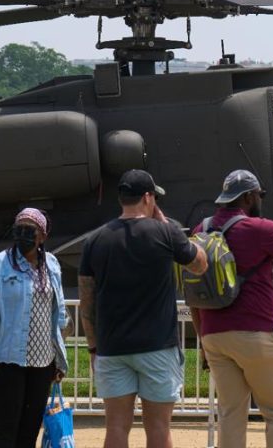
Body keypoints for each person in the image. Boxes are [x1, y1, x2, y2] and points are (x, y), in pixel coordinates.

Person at [190, 169, 273, 448]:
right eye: (259, 195)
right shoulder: (258, 229)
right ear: (250, 197)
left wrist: (202, 339)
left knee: (230, 413)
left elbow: (193, 292)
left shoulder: (200, 231)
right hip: (258, 334)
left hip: (214, 336)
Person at [79, 169, 208, 448]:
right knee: (159, 428)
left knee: (115, 427)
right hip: (157, 346)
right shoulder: (165, 232)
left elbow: (87, 302)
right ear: (148, 198)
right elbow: (200, 264)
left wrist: (92, 348)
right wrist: (163, 222)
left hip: (112, 347)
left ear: (121, 199)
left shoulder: (95, 240)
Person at [0, 208, 69, 448]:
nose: (23, 234)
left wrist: (59, 359)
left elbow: (58, 314)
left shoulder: (51, 264)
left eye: (29, 230)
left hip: (42, 364)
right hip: (7, 361)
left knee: (29, 432)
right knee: (4, 433)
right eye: (19, 228)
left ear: (42, 235)